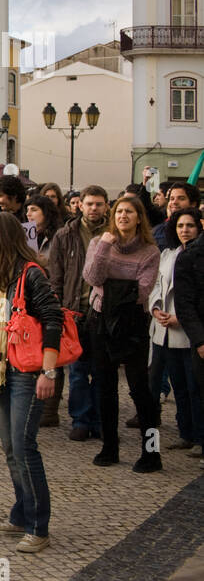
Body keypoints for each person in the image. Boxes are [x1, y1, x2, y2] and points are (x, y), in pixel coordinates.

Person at [0, 213, 63, 554]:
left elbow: (53, 319)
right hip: (3, 369)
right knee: (12, 449)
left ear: (2, 239)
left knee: (25, 448)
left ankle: (40, 527)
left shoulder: (32, 274)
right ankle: (22, 514)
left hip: (29, 372)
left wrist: (49, 372)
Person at [83, 194, 161, 471]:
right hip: (101, 321)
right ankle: (109, 447)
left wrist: (109, 286)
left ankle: (152, 451)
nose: (123, 216)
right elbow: (92, 277)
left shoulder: (150, 252)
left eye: (129, 212)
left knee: (141, 389)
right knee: (105, 387)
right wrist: (105, 245)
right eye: (118, 211)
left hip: (132, 324)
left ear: (139, 217)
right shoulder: (98, 243)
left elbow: (142, 291)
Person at [48, 185, 109, 440]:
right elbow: (56, 275)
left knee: (103, 370)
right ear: (79, 205)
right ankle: (81, 420)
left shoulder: (113, 233)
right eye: (89, 204)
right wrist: (58, 308)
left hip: (104, 312)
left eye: (98, 204)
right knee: (78, 371)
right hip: (74, 311)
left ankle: (101, 419)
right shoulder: (65, 234)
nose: (94, 208)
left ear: (106, 206)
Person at [150, 208, 203, 453]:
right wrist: (156, 309)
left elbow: (195, 296)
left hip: (188, 331)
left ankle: (199, 436)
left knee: (195, 387)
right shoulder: (167, 254)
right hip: (165, 330)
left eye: (190, 226)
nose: (184, 230)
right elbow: (157, 286)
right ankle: (185, 433)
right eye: (181, 226)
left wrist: (180, 318)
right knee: (179, 386)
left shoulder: (198, 255)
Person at [153, 182, 201, 249]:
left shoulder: (201, 229)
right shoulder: (158, 230)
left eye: (181, 198)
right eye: (172, 199)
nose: (174, 202)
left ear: (193, 204)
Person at [25, 193, 62, 261]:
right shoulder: (25, 235)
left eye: (34, 210)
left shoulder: (59, 236)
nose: (28, 214)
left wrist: (46, 262)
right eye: (27, 210)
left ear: (46, 212)